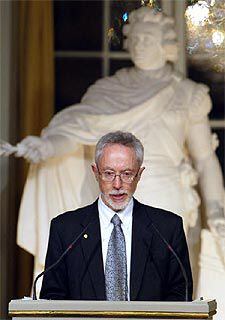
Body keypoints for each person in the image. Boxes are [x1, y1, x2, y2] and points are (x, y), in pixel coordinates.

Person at [0, 6, 224, 304]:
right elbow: (78, 130)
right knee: (94, 282)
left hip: (168, 193)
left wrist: (217, 209)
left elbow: (205, 159)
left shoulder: (188, 94)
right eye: (137, 38)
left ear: (165, 43)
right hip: (109, 194)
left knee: (169, 289)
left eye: (149, 38)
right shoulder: (108, 90)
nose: (141, 45)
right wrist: (48, 146)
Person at [40, 131, 193, 301]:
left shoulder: (167, 228)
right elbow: (52, 297)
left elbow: (181, 295)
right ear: (96, 172)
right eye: (108, 173)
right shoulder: (66, 229)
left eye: (127, 174)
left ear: (139, 175)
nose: (117, 184)